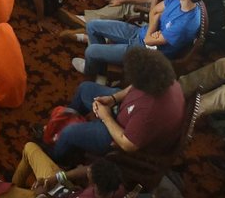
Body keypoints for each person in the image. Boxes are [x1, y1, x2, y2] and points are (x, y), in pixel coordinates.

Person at [51, 47, 185, 162]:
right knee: (84, 88)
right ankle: (65, 120)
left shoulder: (149, 111)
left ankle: (56, 156)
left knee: (68, 133)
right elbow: (133, 87)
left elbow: (128, 145)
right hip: (123, 111)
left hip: (117, 135)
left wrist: (106, 117)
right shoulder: (162, 78)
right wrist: (113, 98)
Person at [71, 0, 207, 78]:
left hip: (145, 52)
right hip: (142, 33)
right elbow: (154, 12)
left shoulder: (185, 24)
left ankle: (90, 70)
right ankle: (99, 67)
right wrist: (154, 23)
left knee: (91, 51)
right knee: (93, 26)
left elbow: (149, 40)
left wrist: (154, 22)